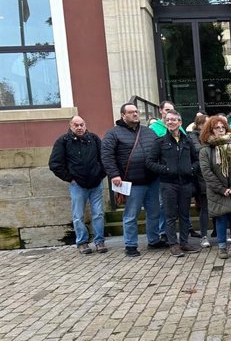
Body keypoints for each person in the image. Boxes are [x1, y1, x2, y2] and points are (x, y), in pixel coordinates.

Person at [101, 103, 165, 256]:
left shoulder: (148, 131)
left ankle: (154, 240)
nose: (135, 114)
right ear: (123, 115)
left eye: (136, 112)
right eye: (131, 112)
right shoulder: (113, 134)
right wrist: (114, 174)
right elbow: (106, 156)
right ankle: (130, 245)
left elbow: (158, 151)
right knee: (131, 215)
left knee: (154, 212)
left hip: (152, 180)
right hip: (131, 182)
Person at [49, 115, 108, 254]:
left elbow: (104, 158)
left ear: (85, 125)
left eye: (82, 124)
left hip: (96, 184)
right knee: (78, 216)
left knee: (98, 214)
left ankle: (100, 241)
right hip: (77, 186)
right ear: (70, 126)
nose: (79, 127)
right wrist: (70, 178)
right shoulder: (63, 141)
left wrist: (100, 175)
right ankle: (82, 242)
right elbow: (55, 164)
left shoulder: (93, 139)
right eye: (76, 125)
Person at [146, 110, 200, 257]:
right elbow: (149, 162)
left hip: (186, 183)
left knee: (184, 215)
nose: (170, 122)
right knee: (170, 216)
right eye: (168, 120)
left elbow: (197, 159)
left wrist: (191, 169)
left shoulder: (187, 140)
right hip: (168, 184)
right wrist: (165, 169)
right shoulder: (160, 142)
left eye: (173, 120)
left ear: (180, 122)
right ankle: (173, 244)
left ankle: (184, 242)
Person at [199, 115, 231, 259]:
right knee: (221, 219)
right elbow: (206, 172)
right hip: (217, 190)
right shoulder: (205, 150)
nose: (221, 130)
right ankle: (222, 247)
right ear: (211, 130)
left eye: (223, 127)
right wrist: (222, 189)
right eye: (217, 128)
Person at [186, 112, 211, 247]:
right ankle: (204, 236)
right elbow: (199, 151)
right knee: (204, 208)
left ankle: (220, 234)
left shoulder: (210, 136)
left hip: (212, 177)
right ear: (200, 124)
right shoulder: (192, 137)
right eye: (206, 123)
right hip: (200, 178)